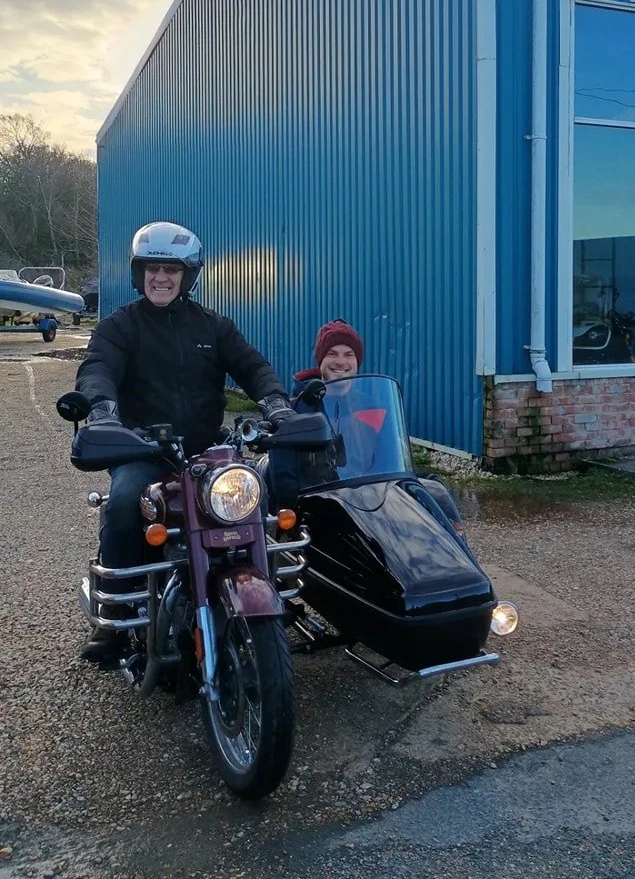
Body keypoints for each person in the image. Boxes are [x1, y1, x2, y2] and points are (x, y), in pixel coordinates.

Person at [75, 221, 296, 665]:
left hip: (204, 452)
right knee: (121, 503)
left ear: (187, 275)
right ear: (139, 274)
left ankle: (267, 596)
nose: (161, 277)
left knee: (256, 495)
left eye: (171, 269)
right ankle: (116, 616)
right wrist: (102, 410)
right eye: (153, 268)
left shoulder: (213, 327)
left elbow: (252, 366)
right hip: (143, 450)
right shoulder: (121, 327)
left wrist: (277, 404)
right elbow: (98, 369)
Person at [281, 319, 465, 534]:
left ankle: (456, 554)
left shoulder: (373, 407)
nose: (341, 361)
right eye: (332, 353)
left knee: (435, 489)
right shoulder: (298, 406)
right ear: (320, 359)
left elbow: (390, 460)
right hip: (322, 498)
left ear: (357, 360)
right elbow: (287, 470)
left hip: (372, 495)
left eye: (348, 354)